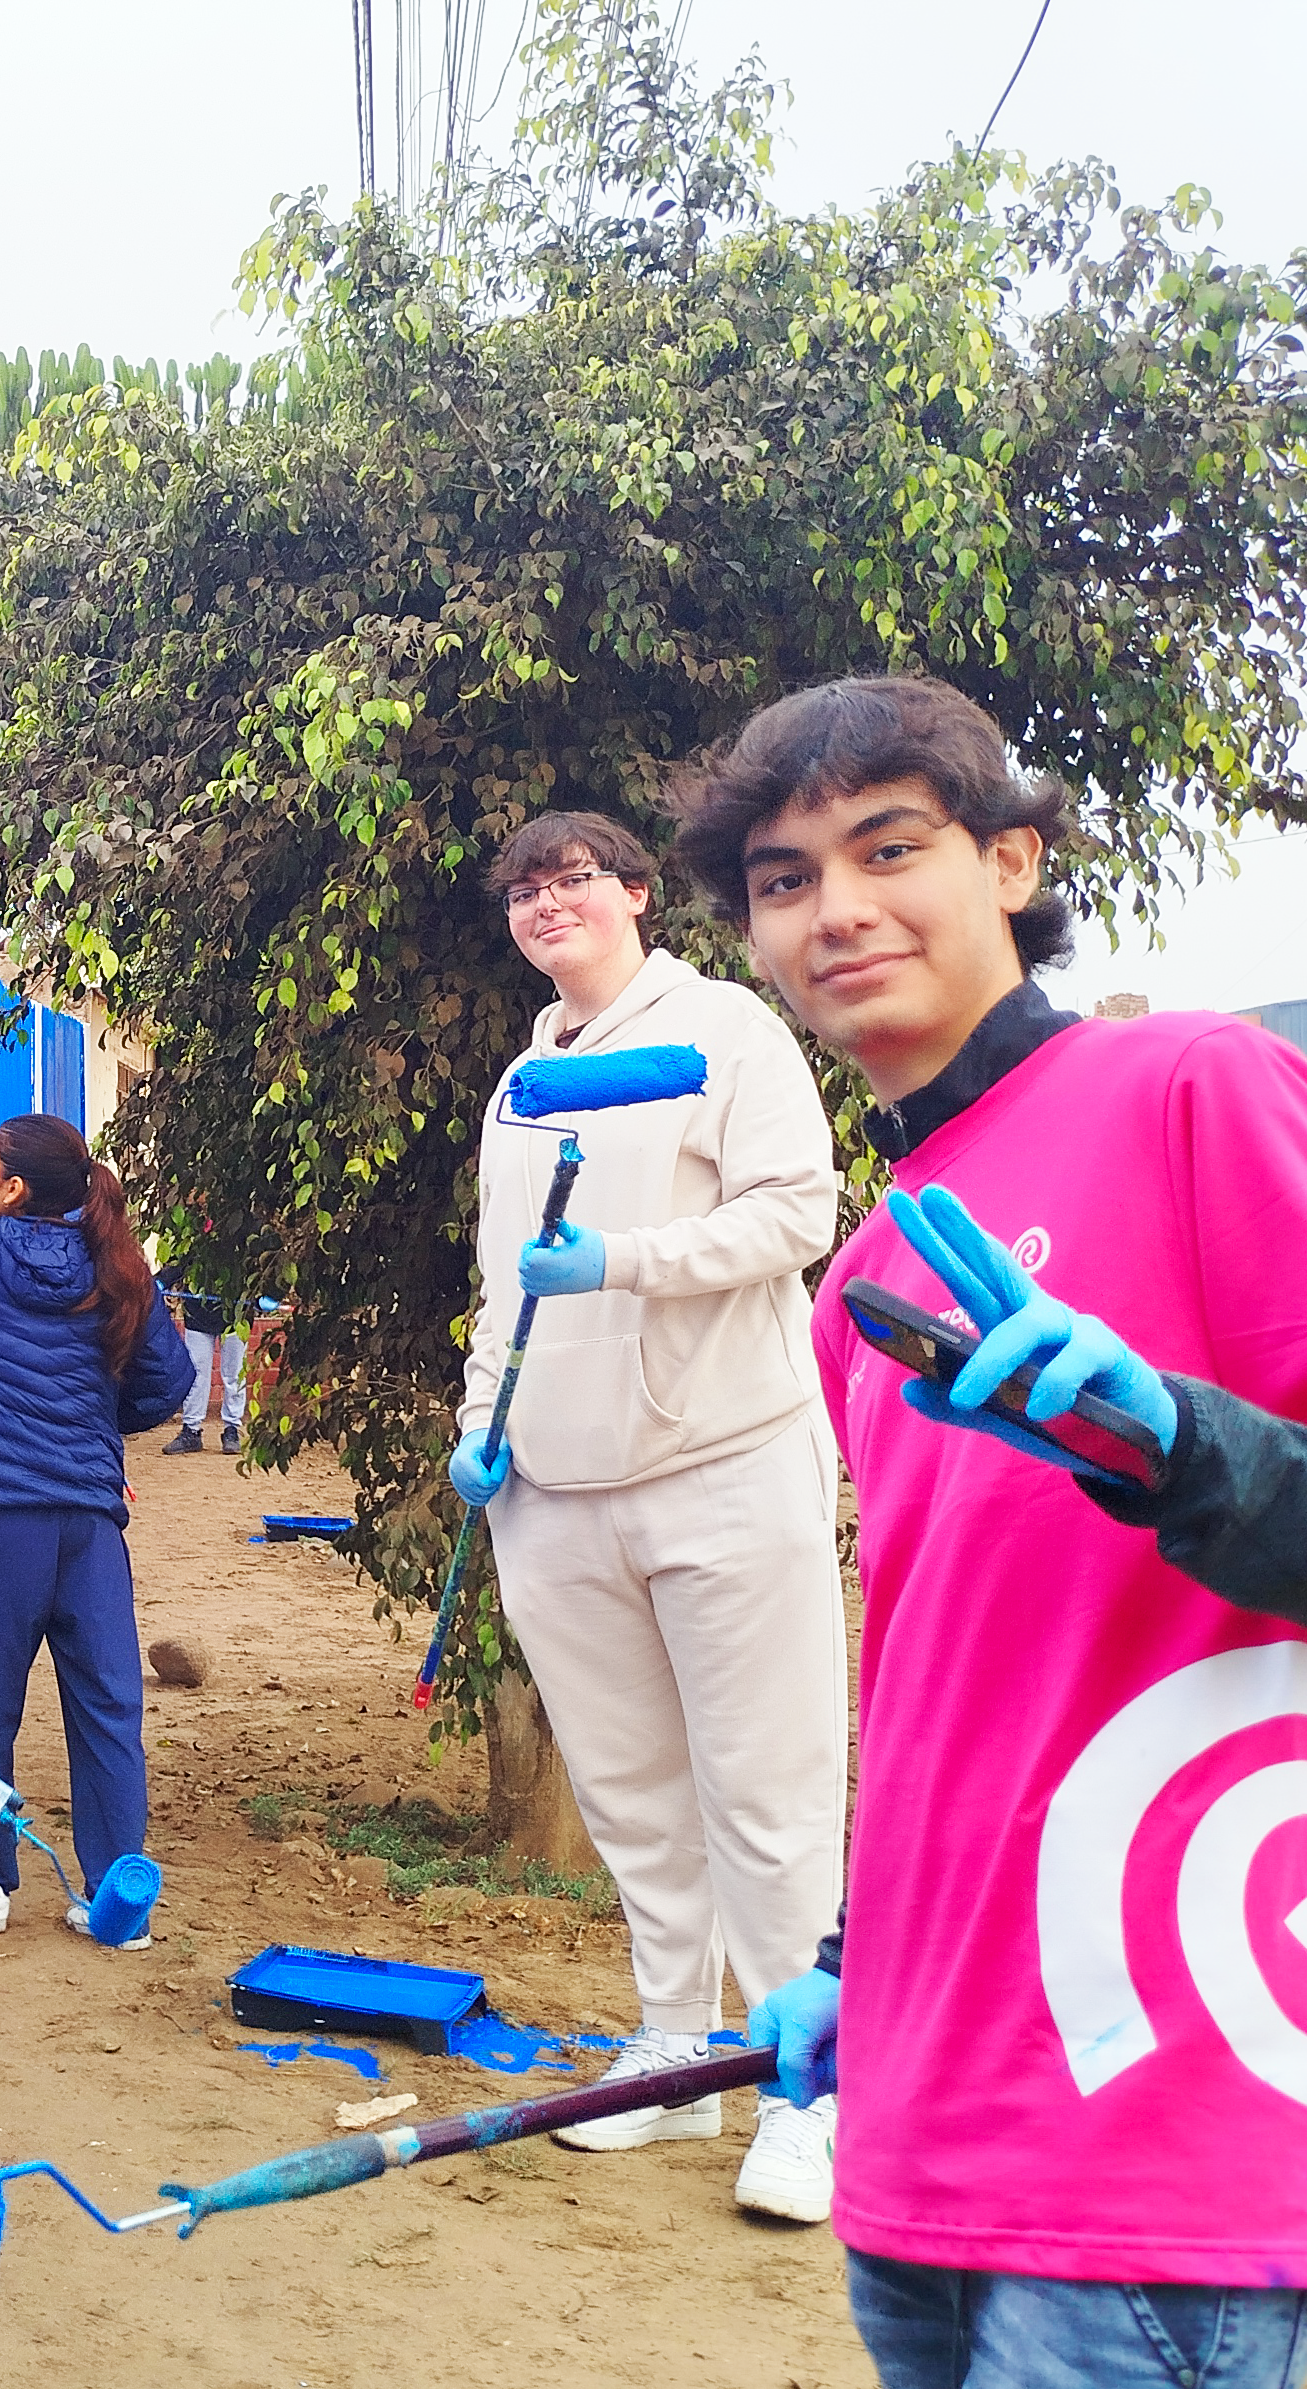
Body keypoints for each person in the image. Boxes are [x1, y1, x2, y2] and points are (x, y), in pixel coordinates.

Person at [680, 676, 1307, 2389]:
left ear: (1014, 863)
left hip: (1162, 2060)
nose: (834, 906)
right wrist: (853, 1943)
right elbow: (938, 1654)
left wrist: (1176, 1440)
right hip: (929, 2079)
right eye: (780, 876)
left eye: (889, 846)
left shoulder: (1197, 1090)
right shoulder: (869, 1272)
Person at [447, 808, 851, 2223]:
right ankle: (677, 2055)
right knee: (632, 1796)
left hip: (722, 1460)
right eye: (522, 886)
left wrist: (623, 1258)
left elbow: (802, 1210)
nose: (545, 900)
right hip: (554, 1489)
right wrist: (478, 1424)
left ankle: (808, 2091)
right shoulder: (521, 1081)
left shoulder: (724, 1030)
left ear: (633, 895)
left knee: (769, 1791)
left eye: (572, 878)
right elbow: (510, 1282)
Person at [0, 1115, 193, 1938]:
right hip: (92, 1526)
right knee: (108, 1710)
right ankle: (115, 1900)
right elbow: (170, 1379)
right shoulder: (116, 1265)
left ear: (14, 1187)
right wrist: (96, 1423)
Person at [154, 1264, 247, 1452]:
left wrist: (272, 1293)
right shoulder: (198, 1235)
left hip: (238, 1313)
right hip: (198, 1313)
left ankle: (232, 1429)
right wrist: (159, 1281)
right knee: (196, 1373)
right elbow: (182, 1258)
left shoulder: (244, 1235)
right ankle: (191, 1431)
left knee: (234, 1373)